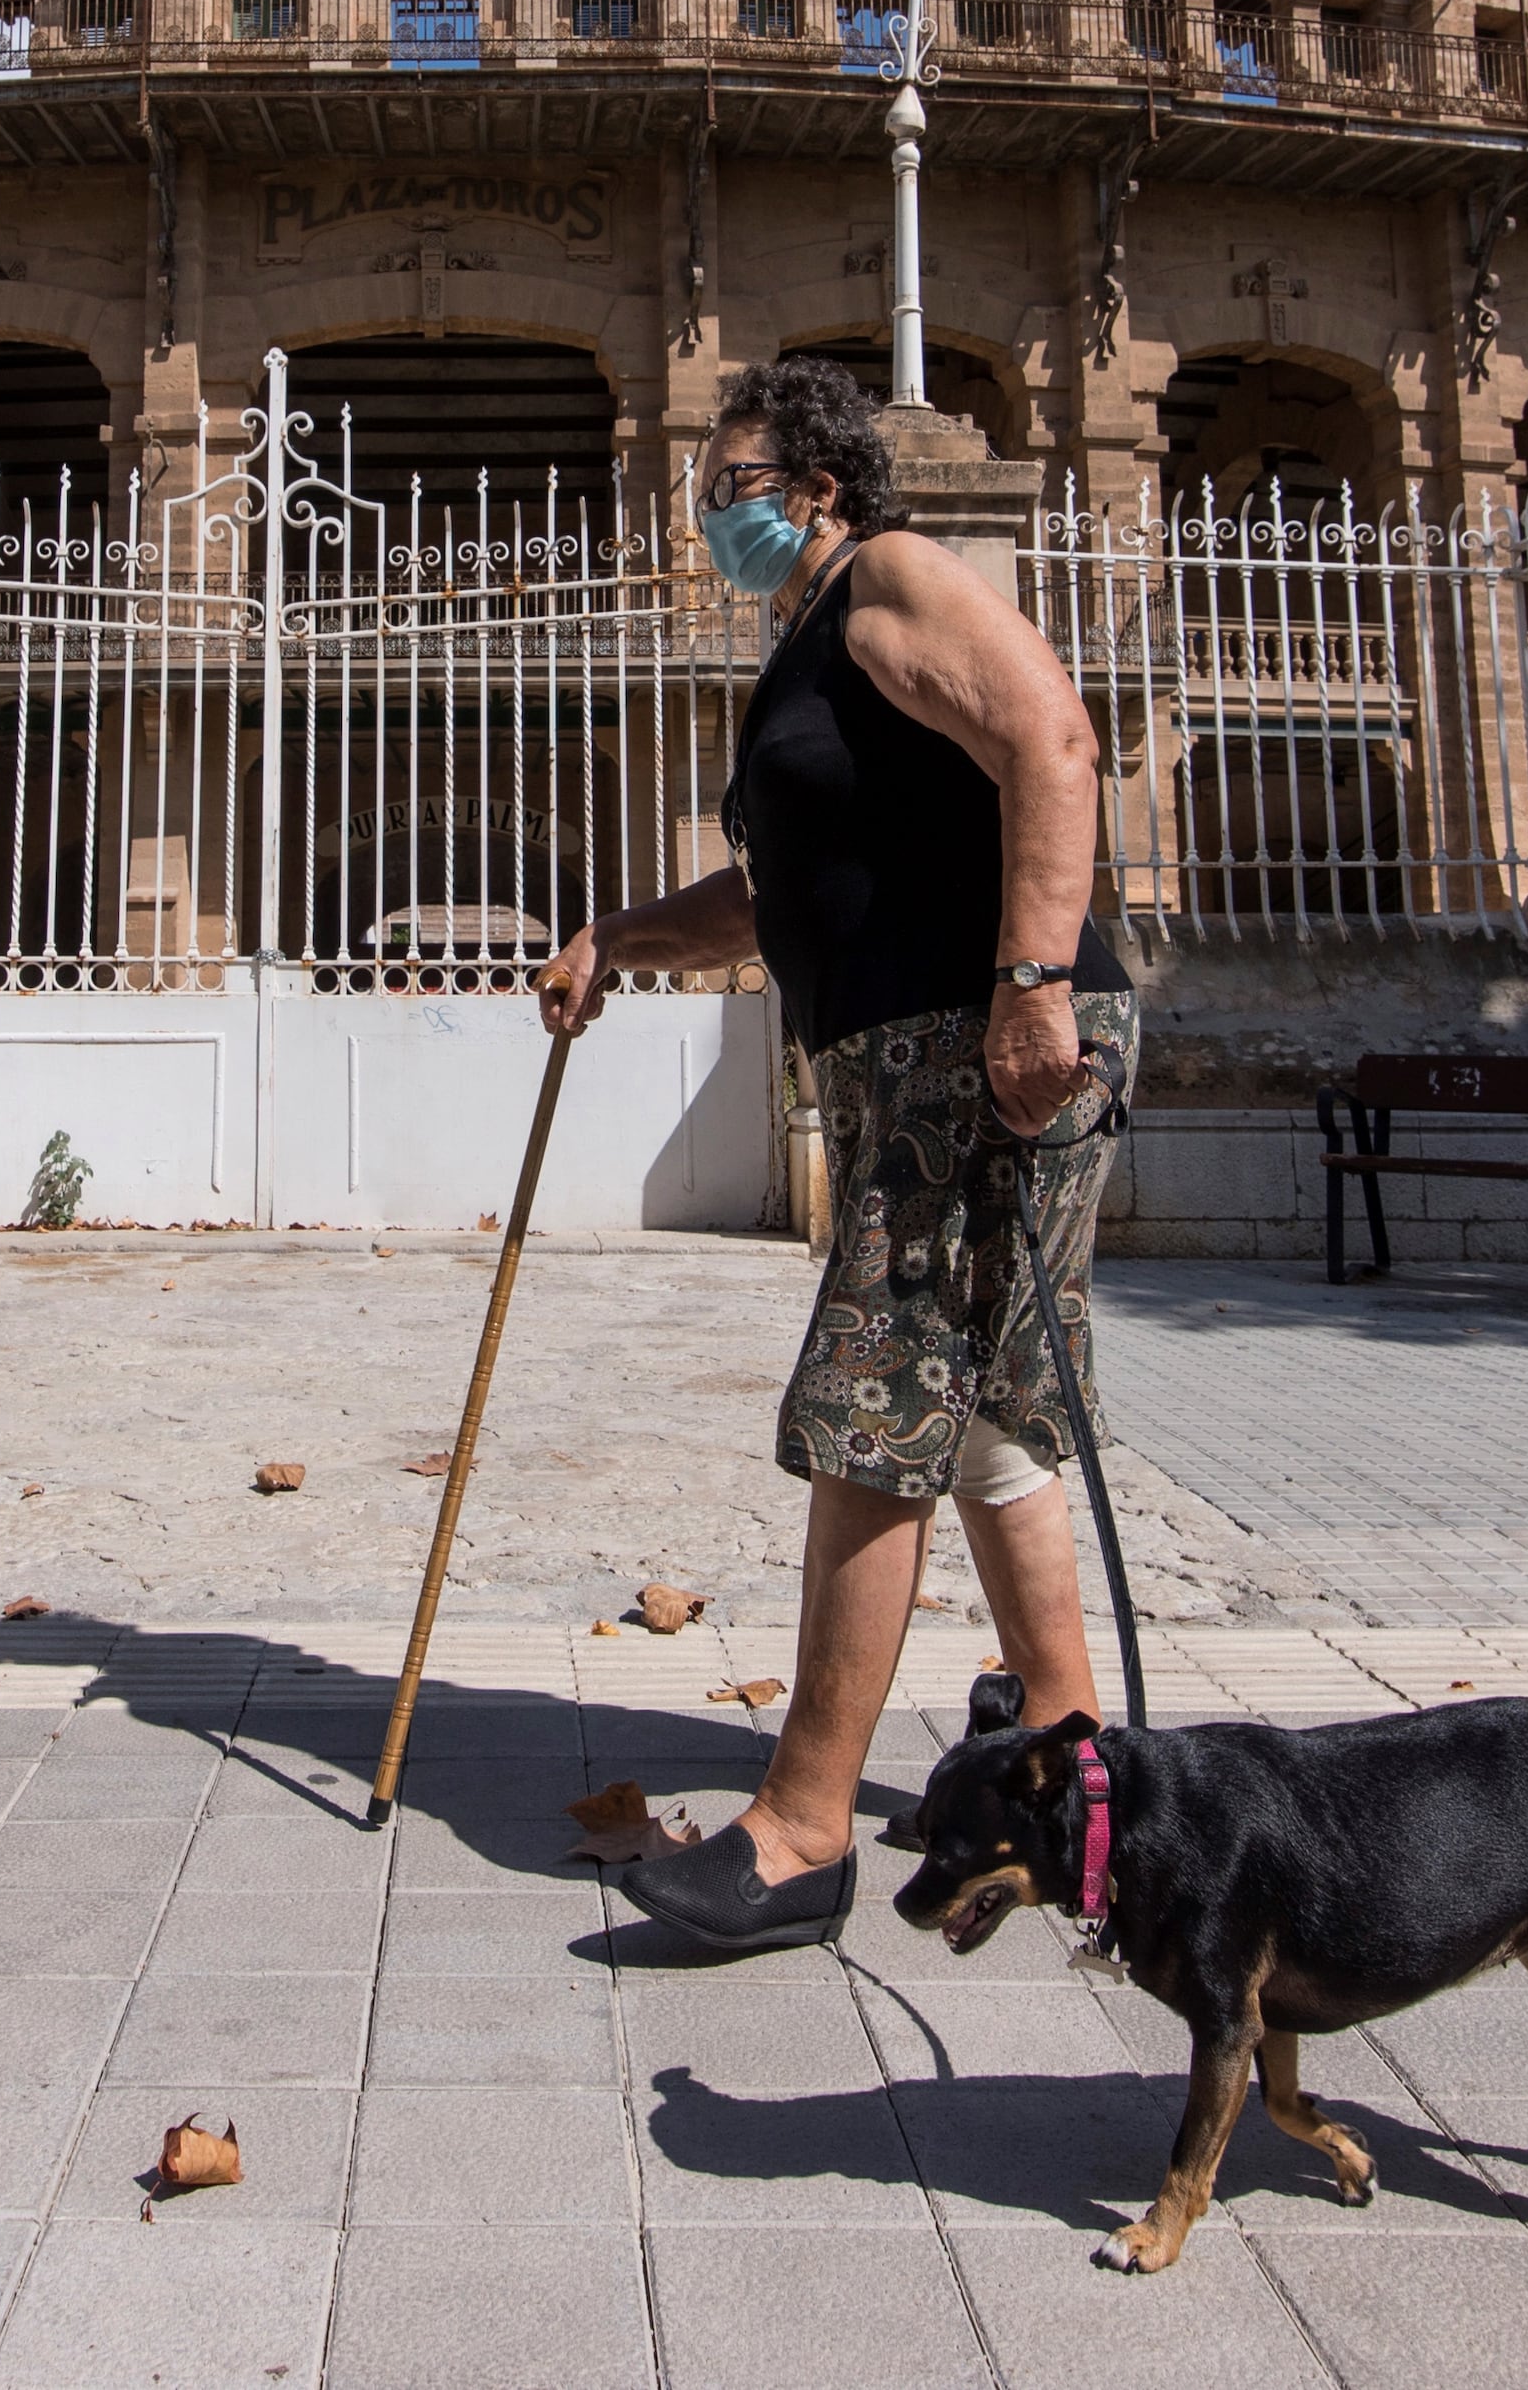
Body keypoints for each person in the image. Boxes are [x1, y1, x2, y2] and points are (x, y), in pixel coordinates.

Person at [531, 355, 1138, 1956]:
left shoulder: (886, 581)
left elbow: (1055, 742)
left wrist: (1029, 987)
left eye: (729, 479)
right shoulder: (805, 652)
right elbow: (770, 895)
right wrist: (620, 936)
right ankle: (1077, 1767)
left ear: (813, 486)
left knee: (876, 1396)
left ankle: (802, 1830)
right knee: (989, 1407)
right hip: (923, 1050)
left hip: (982, 1039)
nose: (707, 508)